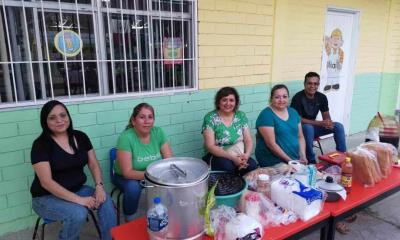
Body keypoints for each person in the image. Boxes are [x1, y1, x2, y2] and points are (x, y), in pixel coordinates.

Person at [30, 100, 116, 240]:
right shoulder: (41, 145)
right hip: (45, 197)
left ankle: (110, 238)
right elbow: (46, 182)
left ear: (68, 116)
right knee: (78, 213)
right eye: (52, 117)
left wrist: (99, 186)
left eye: (63, 115)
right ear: (45, 121)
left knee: (105, 200)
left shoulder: (80, 137)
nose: (59, 120)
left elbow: (93, 164)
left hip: (77, 189)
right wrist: (80, 200)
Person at [113, 103, 172, 221]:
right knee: (133, 187)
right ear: (134, 121)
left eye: (150, 117)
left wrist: (165, 176)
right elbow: (127, 173)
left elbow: (169, 161)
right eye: (142, 117)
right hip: (125, 176)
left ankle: (167, 212)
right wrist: (155, 176)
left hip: (151, 175)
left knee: (172, 179)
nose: (147, 121)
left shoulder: (158, 132)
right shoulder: (126, 138)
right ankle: (130, 218)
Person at [290, 72, 347, 164]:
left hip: (314, 127)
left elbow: (326, 115)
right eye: (309, 83)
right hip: (300, 129)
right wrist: (320, 123)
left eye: (315, 84)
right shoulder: (298, 98)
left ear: (318, 85)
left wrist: (328, 122)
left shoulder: (322, 97)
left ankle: (342, 157)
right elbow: (297, 119)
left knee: (338, 126)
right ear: (304, 84)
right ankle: (311, 160)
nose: (312, 86)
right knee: (308, 128)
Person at [202, 86, 258, 175]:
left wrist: (246, 155)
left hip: (238, 152)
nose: (228, 103)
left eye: (231, 100)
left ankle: (243, 187)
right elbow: (210, 146)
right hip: (217, 154)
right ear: (218, 102)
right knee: (228, 167)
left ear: (236, 102)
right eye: (224, 100)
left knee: (252, 166)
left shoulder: (240, 116)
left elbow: (248, 140)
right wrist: (233, 158)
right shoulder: (210, 118)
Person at [255, 84, 307, 167]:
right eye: (277, 97)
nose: (281, 100)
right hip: (273, 160)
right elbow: (271, 144)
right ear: (271, 99)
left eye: (284, 96)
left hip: (294, 158)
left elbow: (300, 136)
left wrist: (303, 156)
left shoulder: (293, 112)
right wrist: (291, 162)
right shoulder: (266, 115)